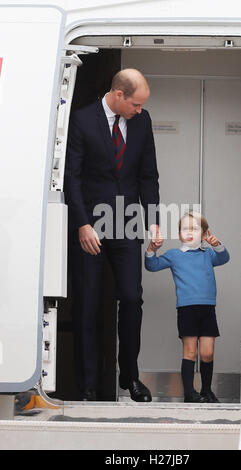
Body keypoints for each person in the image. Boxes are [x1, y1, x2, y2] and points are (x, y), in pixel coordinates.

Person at [64, 68, 162, 402]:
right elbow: (71, 177)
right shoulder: (81, 120)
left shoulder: (142, 122)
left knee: (132, 299)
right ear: (118, 95)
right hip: (90, 225)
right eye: (135, 104)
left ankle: (130, 378)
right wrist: (81, 223)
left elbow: (148, 175)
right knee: (88, 304)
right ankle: (88, 385)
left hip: (128, 224)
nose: (139, 110)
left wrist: (153, 221)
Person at [145, 211, 230, 403]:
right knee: (190, 352)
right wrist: (151, 249)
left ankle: (206, 391)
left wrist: (216, 244)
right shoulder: (175, 255)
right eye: (185, 228)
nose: (190, 232)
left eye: (195, 228)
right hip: (186, 309)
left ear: (204, 233)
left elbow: (224, 258)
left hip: (207, 308)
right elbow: (152, 265)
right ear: (179, 233)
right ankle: (190, 393)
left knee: (207, 352)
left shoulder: (208, 254)